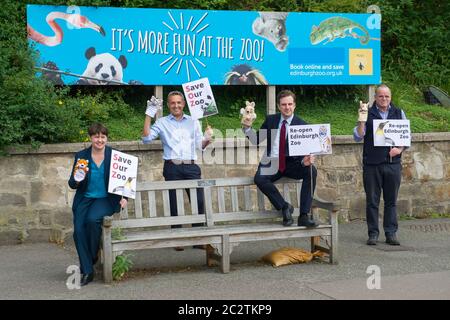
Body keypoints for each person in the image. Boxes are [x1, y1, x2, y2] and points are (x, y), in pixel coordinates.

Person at [142, 91, 213, 250]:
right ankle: (177, 238)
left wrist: (207, 139)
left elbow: (199, 147)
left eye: (179, 102)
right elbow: (146, 139)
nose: (176, 105)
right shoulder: (161, 122)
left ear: (184, 104)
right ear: (168, 105)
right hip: (172, 166)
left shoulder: (194, 121)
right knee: (174, 202)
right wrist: (149, 114)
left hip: (191, 165)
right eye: (173, 103)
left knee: (198, 201)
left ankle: (198, 238)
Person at [242, 89, 317, 227]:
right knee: (259, 178)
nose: (287, 107)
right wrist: (247, 127)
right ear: (278, 106)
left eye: (290, 104)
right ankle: (284, 207)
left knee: (311, 171)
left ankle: (304, 215)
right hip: (271, 162)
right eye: (283, 104)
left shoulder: (302, 125)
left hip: (292, 164)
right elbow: (256, 139)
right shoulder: (271, 120)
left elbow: (306, 150)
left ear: (294, 105)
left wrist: (304, 161)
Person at [68, 123, 128, 286]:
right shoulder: (81, 156)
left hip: (106, 199)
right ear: (90, 138)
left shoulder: (116, 156)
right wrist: (78, 178)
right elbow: (72, 184)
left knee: (92, 220)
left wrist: (126, 197)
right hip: (84, 199)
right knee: (78, 231)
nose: (99, 140)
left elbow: (126, 179)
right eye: (96, 136)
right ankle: (88, 269)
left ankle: (91, 257)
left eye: (102, 137)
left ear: (106, 138)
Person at [354, 84, 407, 246]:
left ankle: (391, 233)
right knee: (372, 201)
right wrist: (362, 121)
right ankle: (373, 234)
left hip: (393, 164)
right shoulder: (367, 112)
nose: (384, 99)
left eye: (387, 96)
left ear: (390, 98)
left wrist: (399, 149)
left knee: (391, 201)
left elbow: (406, 136)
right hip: (372, 164)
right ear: (375, 97)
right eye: (381, 96)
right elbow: (358, 136)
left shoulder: (399, 113)